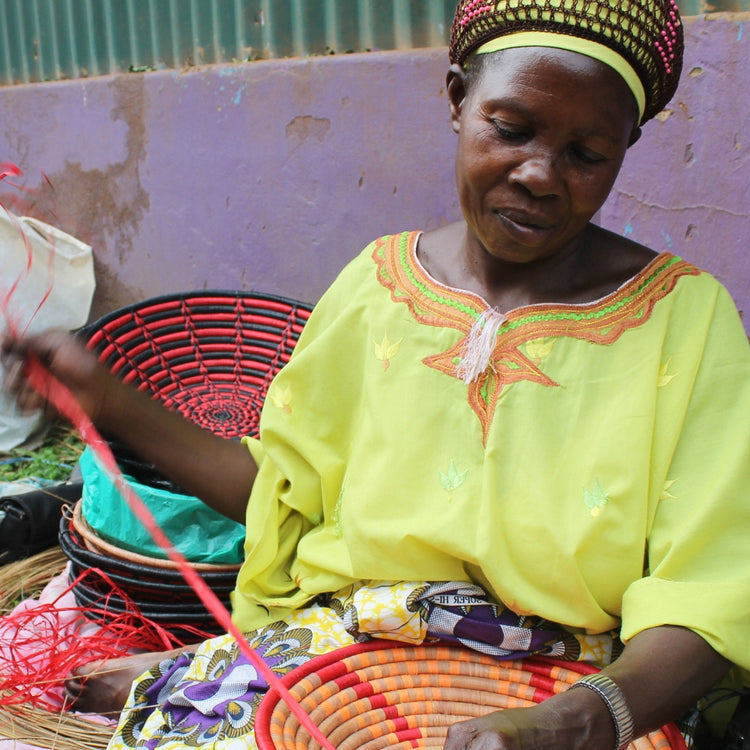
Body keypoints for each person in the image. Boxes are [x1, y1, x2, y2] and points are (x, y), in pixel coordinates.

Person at [3, 0, 750, 748]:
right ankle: (193, 667)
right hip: (347, 646)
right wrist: (105, 398)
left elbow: (713, 586)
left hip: (570, 685)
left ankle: (184, 663)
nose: (539, 175)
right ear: (458, 100)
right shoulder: (377, 286)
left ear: (629, 145)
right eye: (511, 129)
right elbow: (286, 498)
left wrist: (584, 719)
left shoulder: (683, 320)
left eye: (588, 154)